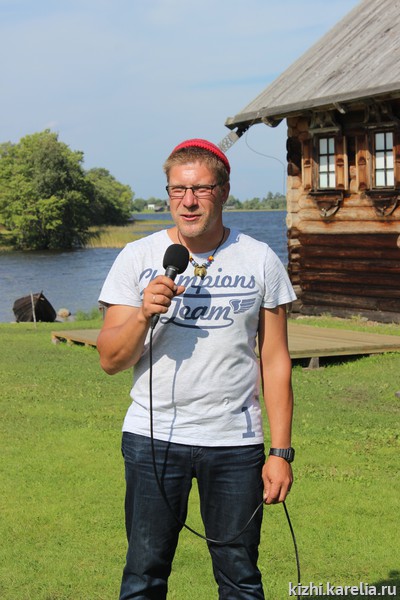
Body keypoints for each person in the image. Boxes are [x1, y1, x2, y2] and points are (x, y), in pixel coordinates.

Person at [97, 138, 296, 600]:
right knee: (144, 574)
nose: (188, 201)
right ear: (169, 194)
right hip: (153, 440)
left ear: (223, 192)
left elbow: (275, 360)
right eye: (178, 190)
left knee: (240, 577)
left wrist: (280, 452)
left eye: (201, 189)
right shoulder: (137, 257)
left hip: (234, 444)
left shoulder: (259, 259)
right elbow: (110, 360)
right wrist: (143, 314)